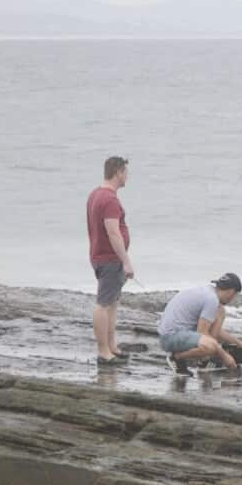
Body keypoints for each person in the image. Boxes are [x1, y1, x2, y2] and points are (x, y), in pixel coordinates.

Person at [86, 156, 134, 366]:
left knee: (112, 303)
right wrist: (126, 261)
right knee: (104, 304)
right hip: (109, 258)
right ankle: (103, 351)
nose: (127, 177)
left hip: (101, 255)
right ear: (118, 173)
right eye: (125, 172)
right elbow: (113, 233)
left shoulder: (96, 194)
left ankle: (111, 346)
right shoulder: (109, 200)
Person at [158, 273, 242, 374]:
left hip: (175, 333)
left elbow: (214, 330)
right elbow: (202, 333)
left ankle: (205, 360)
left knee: (220, 311)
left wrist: (239, 343)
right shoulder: (212, 299)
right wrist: (224, 356)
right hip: (170, 337)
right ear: (231, 292)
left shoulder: (209, 293)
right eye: (235, 295)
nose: (233, 299)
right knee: (210, 347)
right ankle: (176, 357)